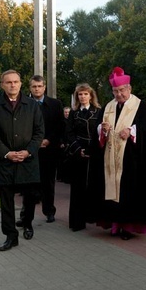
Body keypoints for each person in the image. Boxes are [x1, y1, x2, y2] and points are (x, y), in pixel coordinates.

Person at [93, 66, 146, 240]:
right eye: (115, 91)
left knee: (129, 193)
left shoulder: (142, 107)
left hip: (132, 161)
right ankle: (114, 225)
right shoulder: (108, 107)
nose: (119, 94)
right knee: (111, 192)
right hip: (110, 160)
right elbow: (98, 128)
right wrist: (102, 129)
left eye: (122, 90)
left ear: (129, 89)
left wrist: (132, 131)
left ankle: (128, 227)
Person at [0, 69, 44, 251]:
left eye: (16, 82)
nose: (13, 85)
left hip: (28, 160)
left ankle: (27, 223)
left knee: (30, 197)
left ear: (20, 84)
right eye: (9, 82)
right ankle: (11, 236)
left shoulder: (32, 105)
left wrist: (28, 151)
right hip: (5, 162)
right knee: (6, 202)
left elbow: (39, 132)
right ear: (3, 85)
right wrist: (6, 153)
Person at [16, 75, 64, 225]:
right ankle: (25, 215)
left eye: (39, 86)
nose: (37, 89)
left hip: (49, 150)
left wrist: (49, 140)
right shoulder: (23, 104)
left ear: (44, 87)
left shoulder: (55, 104)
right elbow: (20, 127)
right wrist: (34, 143)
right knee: (28, 184)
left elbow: (60, 126)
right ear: (30, 88)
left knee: (48, 182)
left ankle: (49, 211)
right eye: (34, 86)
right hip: (30, 150)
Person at [65, 83, 101, 231]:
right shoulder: (74, 113)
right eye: (80, 94)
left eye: (85, 94)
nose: (83, 97)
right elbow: (69, 132)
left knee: (94, 185)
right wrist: (77, 148)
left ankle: (93, 216)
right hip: (78, 152)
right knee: (77, 187)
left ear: (90, 95)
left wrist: (94, 148)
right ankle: (77, 221)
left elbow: (101, 132)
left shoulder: (98, 111)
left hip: (95, 152)